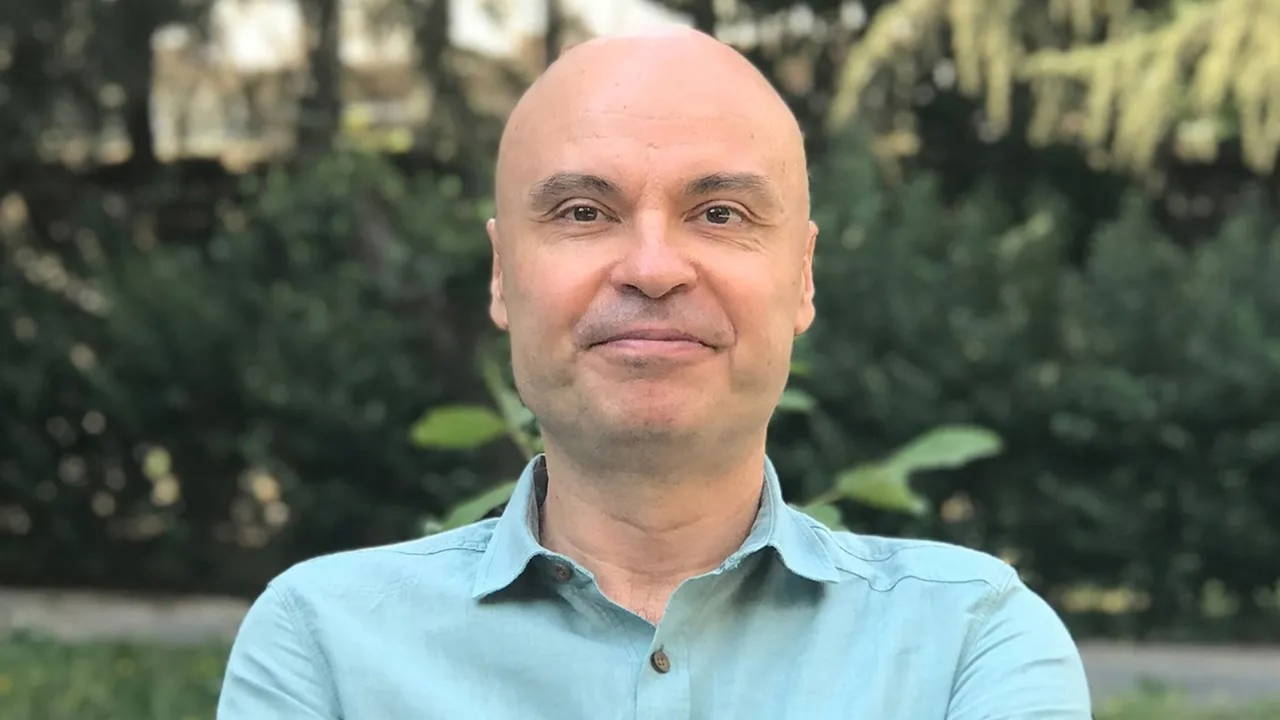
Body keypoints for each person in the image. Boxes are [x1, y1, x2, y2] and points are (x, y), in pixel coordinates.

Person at [217, 29, 1091, 719]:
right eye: (582, 212)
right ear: (501, 276)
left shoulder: (970, 640)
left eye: (720, 213)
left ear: (802, 277)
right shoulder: (324, 644)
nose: (652, 268)